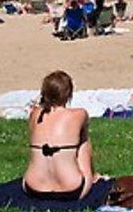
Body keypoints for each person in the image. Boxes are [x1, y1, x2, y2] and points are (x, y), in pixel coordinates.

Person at [23, 71, 102, 201]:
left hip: (33, 188)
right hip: (72, 190)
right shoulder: (79, 114)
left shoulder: (35, 114)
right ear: (68, 94)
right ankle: (92, 176)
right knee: (83, 138)